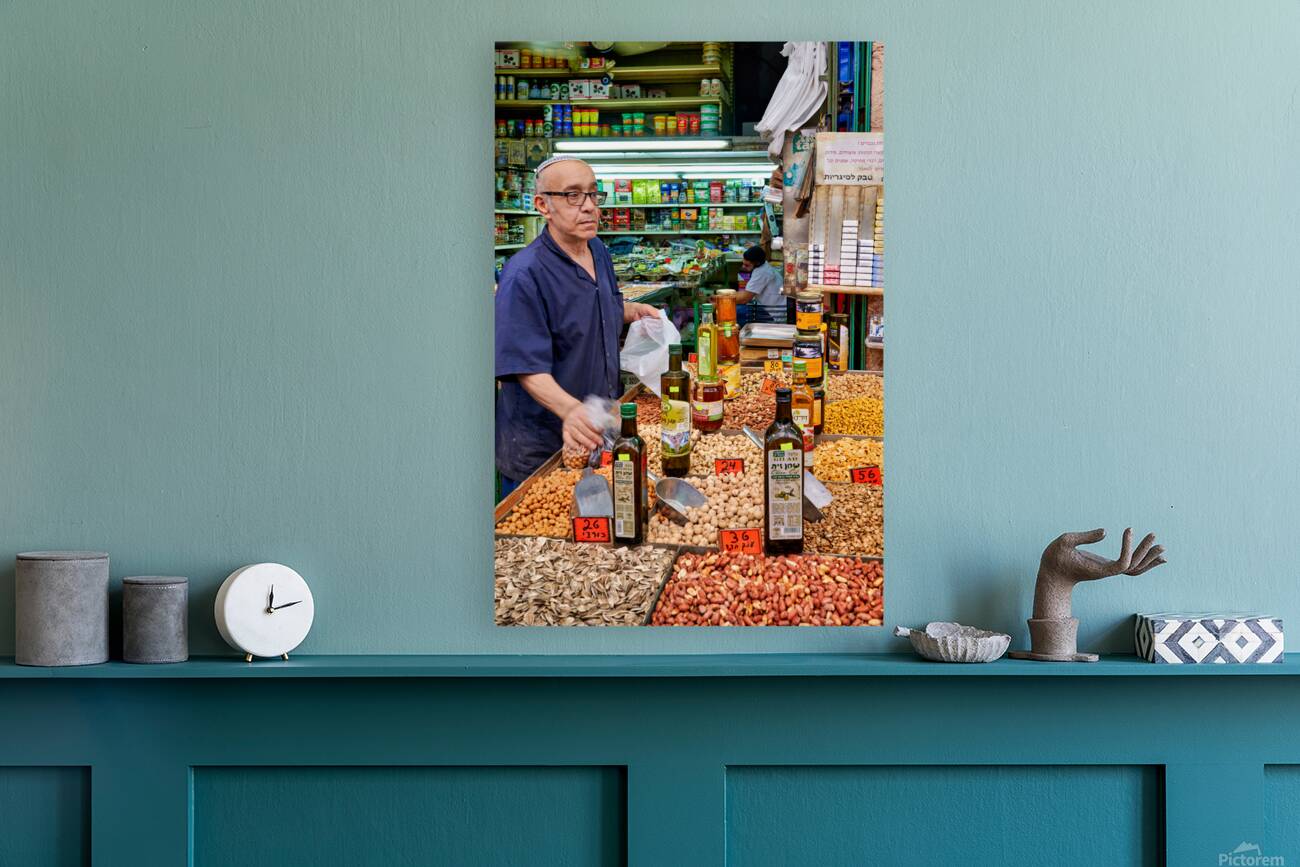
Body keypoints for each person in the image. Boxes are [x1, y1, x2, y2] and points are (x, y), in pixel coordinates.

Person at [495, 155, 658, 495]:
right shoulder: (524, 274)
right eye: (572, 195)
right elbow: (524, 366)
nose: (588, 207)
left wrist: (628, 311)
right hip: (545, 445)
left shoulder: (597, 250)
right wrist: (571, 410)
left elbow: (590, 305)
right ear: (543, 205)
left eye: (593, 194)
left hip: (598, 431)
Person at [734, 245, 785, 322]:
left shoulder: (762, 273)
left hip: (773, 315)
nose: (743, 267)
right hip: (772, 309)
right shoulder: (764, 266)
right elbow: (746, 293)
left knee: (735, 311)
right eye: (743, 263)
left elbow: (744, 299)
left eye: (747, 265)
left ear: (757, 263)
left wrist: (720, 300)